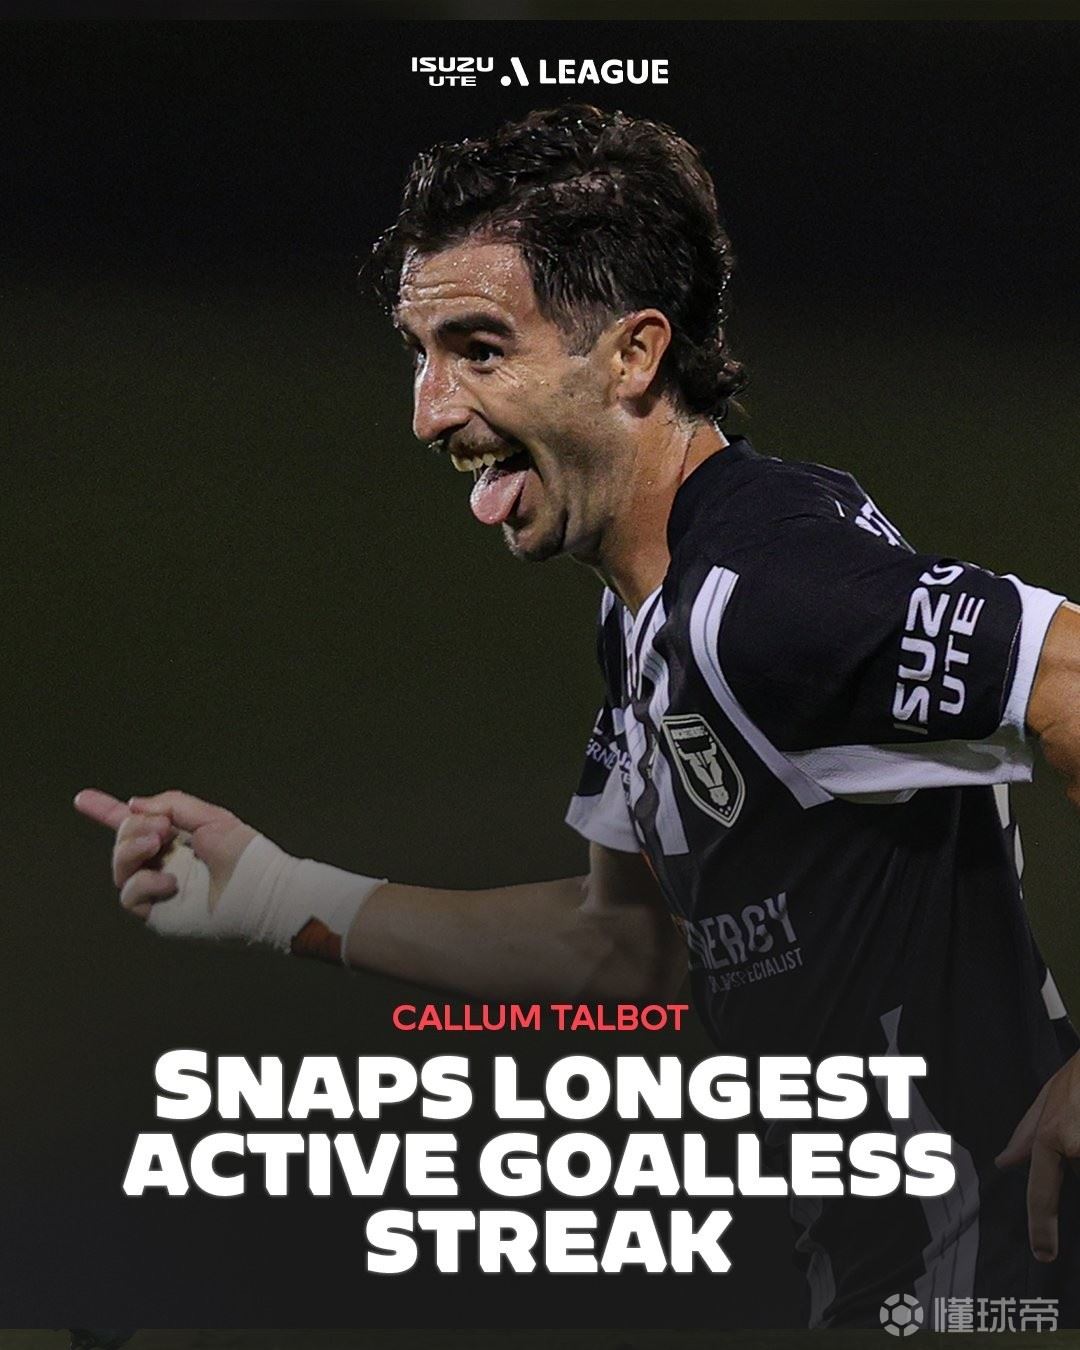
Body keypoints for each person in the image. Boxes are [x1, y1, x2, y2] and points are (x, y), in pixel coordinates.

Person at [74, 105, 1080, 1327]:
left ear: (634, 354)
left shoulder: (763, 595)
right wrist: (278, 896)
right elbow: (626, 944)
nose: (429, 411)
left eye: (479, 350)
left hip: (989, 1278)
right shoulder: (652, 605)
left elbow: (1072, 678)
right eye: (419, 353)